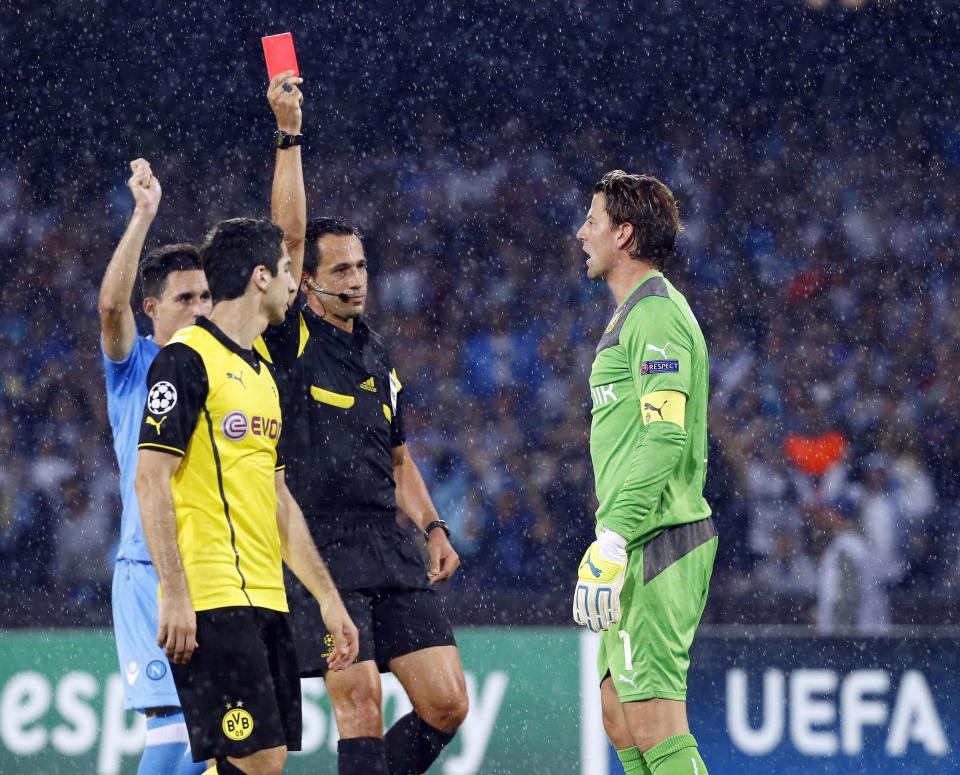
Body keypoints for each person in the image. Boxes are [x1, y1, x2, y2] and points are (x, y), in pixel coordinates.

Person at [257, 83, 468, 775]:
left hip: (388, 542)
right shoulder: (291, 340)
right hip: (319, 544)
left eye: (362, 266)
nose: (357, 279)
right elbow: (287, 238)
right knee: (360, 706)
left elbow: (400, 456)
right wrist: (290, 136)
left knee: (448, 703)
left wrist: (434, 527)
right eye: (341, 268)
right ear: (307, 283)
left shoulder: (376, 352)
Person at [135, 216, 359, 775]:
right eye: (287, 271)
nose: (293, 284)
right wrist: (175, 593)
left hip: (266, 599)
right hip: (211, 599)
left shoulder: (262, 375)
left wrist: (328, 599)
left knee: (268, 758)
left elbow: (279, 500)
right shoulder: (184, 360)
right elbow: (151, 478)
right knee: (256, 759)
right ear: (261, 277)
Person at [572, 170, 717, 775]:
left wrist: (612, 539)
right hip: (635, 538)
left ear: (624, 234)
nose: (582, 234)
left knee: (655, 718)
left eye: (594, 221)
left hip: (658, 537)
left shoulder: (656, 316)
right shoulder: (631, 316)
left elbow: (664, 437)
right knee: (618, 712)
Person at [98, 158, 212, 775]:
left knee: (231, 737)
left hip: (221, 569)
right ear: (152, 308)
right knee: (177, 731)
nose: (198, 308)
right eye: (183, 298)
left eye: (205, 296)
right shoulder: (135, 366)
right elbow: (109, 309)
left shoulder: (230, 364)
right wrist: (143, 215)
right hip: (152, 572)